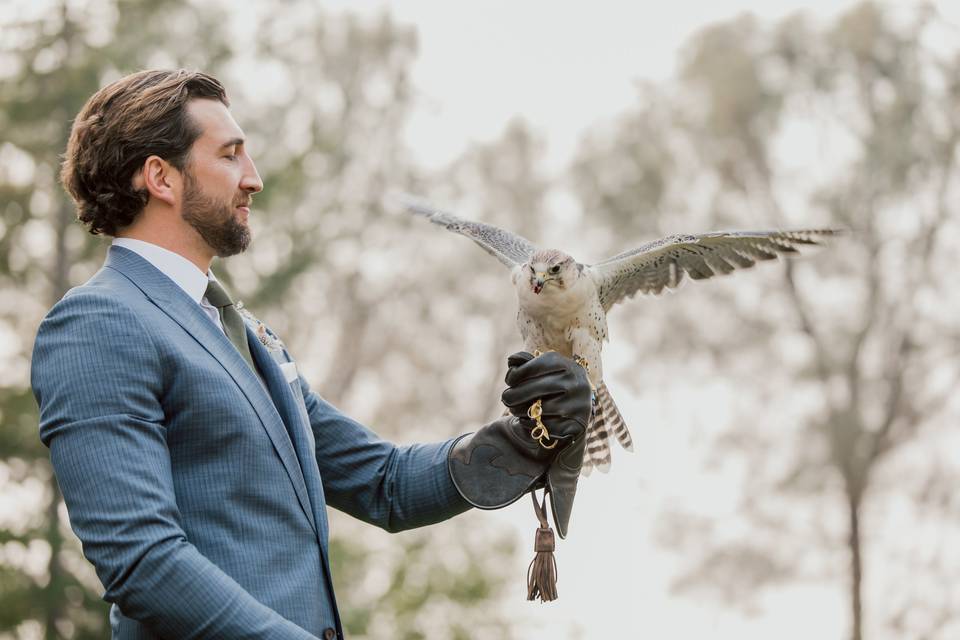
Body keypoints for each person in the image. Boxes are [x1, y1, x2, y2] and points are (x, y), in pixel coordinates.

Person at [30, 69, 592, 640]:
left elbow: (384, 482)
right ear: (161, 177)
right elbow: (143, 563)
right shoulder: (97, 323)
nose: (254, 179)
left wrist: (525, 436)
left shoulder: (243, 334)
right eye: (230, 156)